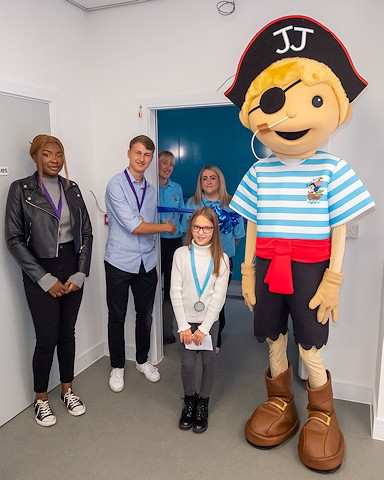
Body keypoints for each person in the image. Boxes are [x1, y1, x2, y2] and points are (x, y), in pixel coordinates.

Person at [224, 16, 375, 472]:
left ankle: (322, 411)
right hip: (269, 266)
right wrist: (246, 271)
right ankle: (280, 402)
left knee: (311, 344)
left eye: (311, 100)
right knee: (272, 336)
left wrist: (334, 278)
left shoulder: (332, 169)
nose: (289, 118)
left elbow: (340, 227)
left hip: (311, 269)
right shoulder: (259, 172)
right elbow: (250, 223)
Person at [5, 134, 93, 427]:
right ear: (35, 157)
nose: (54, 160)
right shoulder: (21, 189)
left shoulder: (73, 188)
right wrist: (44, 279)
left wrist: (80, 273)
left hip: (72, 265)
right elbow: (14, 240)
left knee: (67, 333)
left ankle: (67, 390)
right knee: (46, 338)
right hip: (39, 269)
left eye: (59, 154)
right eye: (47, 154)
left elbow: (86, 235)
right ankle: (41, 399)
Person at [105, 135, 176, 392]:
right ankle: (117, 367)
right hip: (119, 262)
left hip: (147, 263)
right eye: (138, 153)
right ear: (129, 153)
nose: (142, 159)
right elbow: (134, 226)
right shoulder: (115, 185)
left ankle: (143, 361)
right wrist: (166, 227)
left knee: (145, 315)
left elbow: (144, 226)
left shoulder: (151, 190)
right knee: (117, 316)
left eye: (147, 155)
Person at [171, 207, 230, 433]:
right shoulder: (181, 254)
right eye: (197, 227)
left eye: (207, 228)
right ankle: (189, 400)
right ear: (191, 228)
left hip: (208, 322)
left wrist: (204, 329)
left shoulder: (222, 259)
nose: (201, 232)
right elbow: (175, 291)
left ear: (214, 230)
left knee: (208, 362)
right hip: (186, 321)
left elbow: (219, 297)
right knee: (187, 363)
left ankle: (202, 402)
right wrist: (184, 326)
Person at [182, 165, 245, 353]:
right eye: (204, 178)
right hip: (195, 262)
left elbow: (238, 235)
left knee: (217, 301)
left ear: (219, 181)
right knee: (195, 297)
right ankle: (193, 335)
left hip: (221, 261)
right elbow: (187, 232)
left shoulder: (232, 204)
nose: (208, 182)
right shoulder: (192, 204)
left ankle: (214, 338)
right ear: (200, 183)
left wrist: (220, 252)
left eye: (212, 178)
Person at [158, 151, 185, 344]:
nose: (168, 167)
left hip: (174, 242)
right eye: (164, 163)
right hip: (154, 242)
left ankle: (167, 331)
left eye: (171, 164)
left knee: (171, 287)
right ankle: (152, 331)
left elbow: (183, 214)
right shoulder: (149, 187)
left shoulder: (177, 188)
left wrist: (179, 229)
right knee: (151, 285)